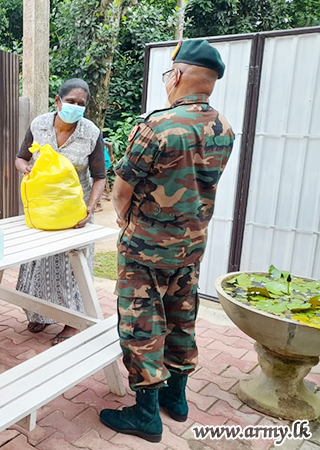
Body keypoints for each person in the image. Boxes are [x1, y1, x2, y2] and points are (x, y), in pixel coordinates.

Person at [100, 40, 234, 442]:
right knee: (181, 317)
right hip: (190, 247)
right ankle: (176, 400)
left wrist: (123, 219)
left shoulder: (156, 126)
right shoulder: (223, 128)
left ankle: (146, 415)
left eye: (167, 74)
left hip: (145, 248)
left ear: (176, 75)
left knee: (142, 324)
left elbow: (122, 190)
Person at [14, 78, 107, 346]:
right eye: (70, 101)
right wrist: (25, 169)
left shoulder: (91, 133)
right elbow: (20, 157)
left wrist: (90, 207)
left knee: (71, 269)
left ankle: (73, 322)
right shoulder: (39, 125)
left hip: (75, 213)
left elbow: (100, 177)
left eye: (81, 103)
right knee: (39, 264)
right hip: (42, 210)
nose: (75, 106)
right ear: (58, 101)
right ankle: (40, 313)